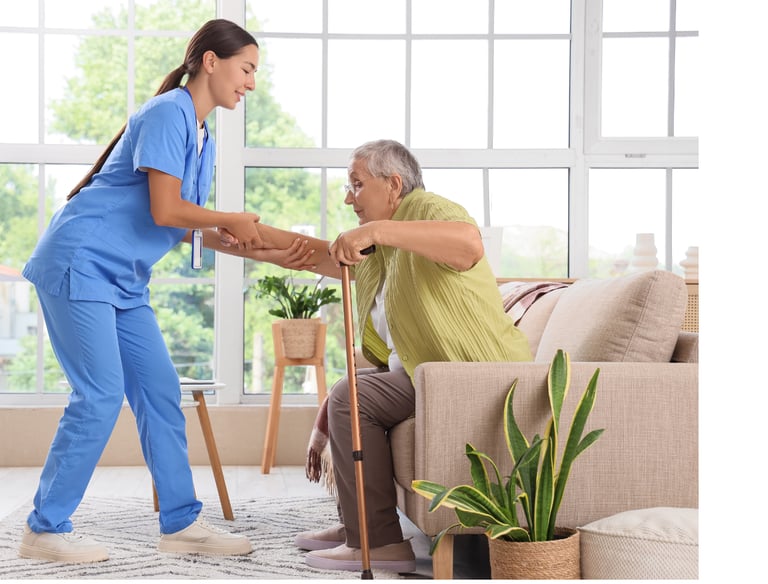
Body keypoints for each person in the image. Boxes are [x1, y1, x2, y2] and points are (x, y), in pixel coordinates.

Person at [17, 18, 282, 563]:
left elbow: (183, 223)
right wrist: (229, 218)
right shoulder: (168, 113)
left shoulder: (202, 133)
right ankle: (45, 529)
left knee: (160, 392)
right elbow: (168, 208)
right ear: (211, 61)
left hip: (123, 279)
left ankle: (181, 525)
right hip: (82, 262)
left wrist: (265, 245)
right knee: (99, 395)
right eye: (247, 68)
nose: (252, 83)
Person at [247, 139, 533, 573]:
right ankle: (358, 527)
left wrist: (375, 231)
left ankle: (378, 541)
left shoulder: (428, 209)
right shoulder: (384, 253)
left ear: (394, 184)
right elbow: (310, 254)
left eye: (357, 184)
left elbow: (468, 244)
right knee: (351, 393)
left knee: (349, 397)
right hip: (429, 375)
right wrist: (225, 236)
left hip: (472, 375)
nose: (348, 197)